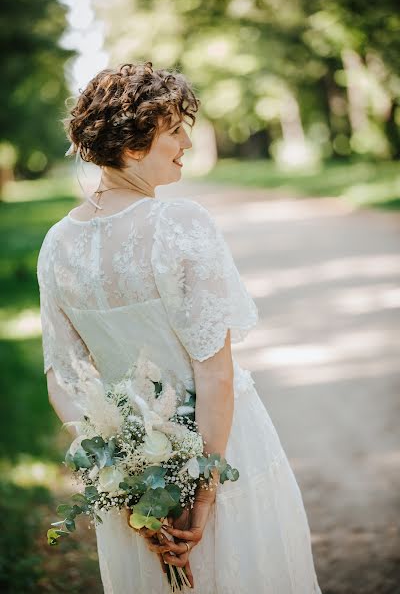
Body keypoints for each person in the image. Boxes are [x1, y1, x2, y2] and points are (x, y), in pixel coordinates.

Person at [37, 61, 322, 593]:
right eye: (173, 129)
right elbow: (214, 375)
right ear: (133, 143)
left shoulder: (56, 244)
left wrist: (125, 479)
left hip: (132, 485)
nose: (187, 140)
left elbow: (63, 380)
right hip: (222, 452)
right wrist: (205, 495)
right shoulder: (179, 225)